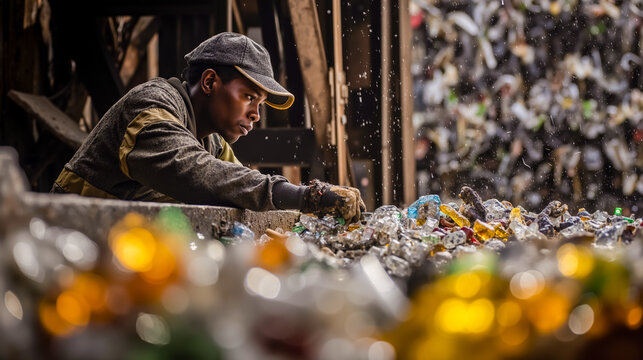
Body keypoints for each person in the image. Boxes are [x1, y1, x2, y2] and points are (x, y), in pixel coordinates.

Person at [51, 32, 365, 222]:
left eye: (260, 104)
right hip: (65, 244)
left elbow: (241, 185)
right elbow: (200, 174)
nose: (256, 115)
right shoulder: (151, 106)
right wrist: (306, 196)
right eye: (249, 97)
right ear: (211, 81)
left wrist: (313, 213)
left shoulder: (210, 142)